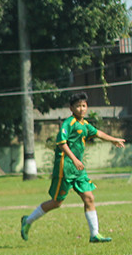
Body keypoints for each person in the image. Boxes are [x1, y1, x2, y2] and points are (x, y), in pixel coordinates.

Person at [20, 92, 125, 243]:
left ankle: (94, 234)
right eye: (78, 106)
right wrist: (75, 159)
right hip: (65, 167)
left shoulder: (84, 124)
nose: (82, 109)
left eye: (84, 106)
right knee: (57, 202)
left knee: (89, 197)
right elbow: (62, 143)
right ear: (71, 108)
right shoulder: (68, 124)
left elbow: (97, 133)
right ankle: (28, 221)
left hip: (78, 169)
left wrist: (113, 139)